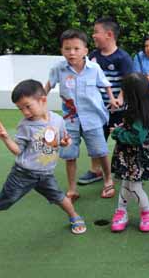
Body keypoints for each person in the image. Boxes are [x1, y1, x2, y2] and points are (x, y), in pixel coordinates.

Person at [0, 80, 86, 257]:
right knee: (0, 202)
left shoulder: (58, 120)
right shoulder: (25, 126)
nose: (25, 112)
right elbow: (18, 151)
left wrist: (64, 142)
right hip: (23, 174)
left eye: (28, 106)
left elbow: (60, 140)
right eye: (21, 109)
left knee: (59, 197)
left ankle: (74, 216)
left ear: (43, 100)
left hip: (46, 174)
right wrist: (6, 138)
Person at [45, 29, 116, 201]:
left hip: (93, 118)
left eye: (76, 48)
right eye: (67, 48)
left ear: (85, 50)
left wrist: (113, 99)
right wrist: (39, 101)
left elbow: (105, 84)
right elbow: (47, 86)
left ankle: (108, 180)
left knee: (101, 152)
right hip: (70, 120)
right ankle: (72, 189)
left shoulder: (94, 68)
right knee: (69, 155)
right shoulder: (58, 69)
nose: (72, 52)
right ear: (61, 50)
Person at [80, 17, 133, 189]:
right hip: (97, 109)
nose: (93, 36)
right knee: (97, 138)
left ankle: (128, 169)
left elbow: (128, 80)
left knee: (123, 138)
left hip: (118, 110)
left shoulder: (122, 57)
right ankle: (95, 170)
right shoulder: (93, 56)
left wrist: (120, 97)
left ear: (109, 34)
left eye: (96, 32)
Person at [110, 73, 149, 233]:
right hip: (131, 155)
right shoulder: (141, 106)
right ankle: (121, 211)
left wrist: (117, 133)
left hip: (136, 155)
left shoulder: (139, 113)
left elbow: (135, 137)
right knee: (127, 183)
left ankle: (147, 212)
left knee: (134, 186)